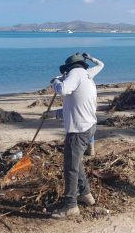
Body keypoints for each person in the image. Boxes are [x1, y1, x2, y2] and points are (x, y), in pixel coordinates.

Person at [49, 52, 104, 218]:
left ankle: (71, 206)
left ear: (69, 68)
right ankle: (86, 194)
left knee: (70, 168)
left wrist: (55, 82)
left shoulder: (74, 74)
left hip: (78, 130)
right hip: (88, 126)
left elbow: (63, 90)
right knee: (76, 163)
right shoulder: (87, 75)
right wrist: (54, 114)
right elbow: (75, 105)